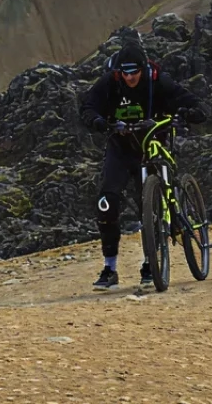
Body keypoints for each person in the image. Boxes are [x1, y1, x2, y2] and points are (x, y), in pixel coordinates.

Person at [78, 31, 203, 289]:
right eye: (125, 73)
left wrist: (193, 112)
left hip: (152, 146)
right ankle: (109, 269)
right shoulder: (109, 83)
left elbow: (187, 99)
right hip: (120, 149)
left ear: (143, 69)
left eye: (134, 72)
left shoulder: (158, 81)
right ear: (118, 72)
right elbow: (88, 107)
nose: (130, 77)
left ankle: (151, 262)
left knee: (150, 206)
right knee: (106, 205)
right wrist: (99, 122)